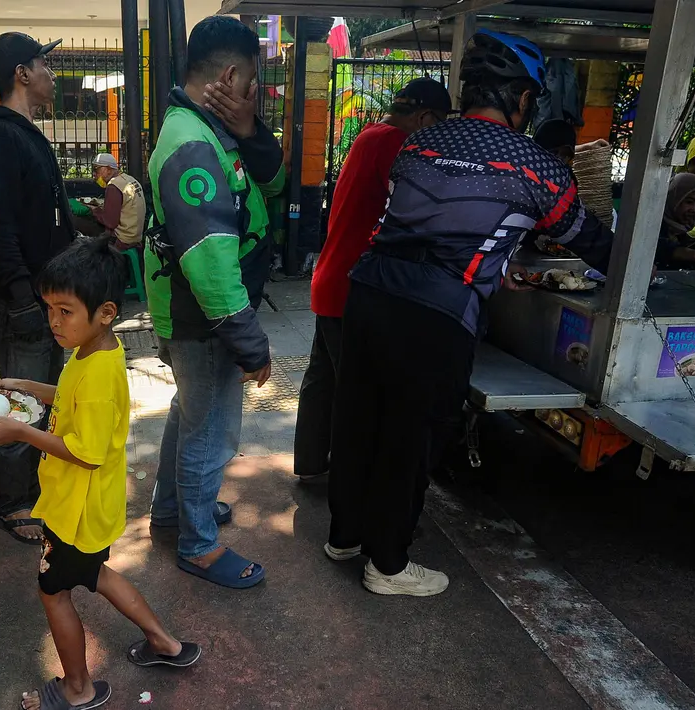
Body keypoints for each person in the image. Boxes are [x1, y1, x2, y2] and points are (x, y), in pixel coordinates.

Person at [327, 30, 614, 597]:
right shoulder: (536, 165)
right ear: (523, 99)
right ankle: (387, 566)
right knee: (412, 437)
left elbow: (431, 218)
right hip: (435, 313)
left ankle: (346, 534)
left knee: (361, 419)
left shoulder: (420, 144)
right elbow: (590, 241)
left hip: (369, 292)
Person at [0, 237, 202, 710]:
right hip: (85, 507)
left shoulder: (98, 374)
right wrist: (26, 387)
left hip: (76, 513)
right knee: (95, 574)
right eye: (49, 309)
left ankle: (78, 689)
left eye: (65, 311)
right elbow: (68, 396)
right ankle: (166, 643)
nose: (54, 322)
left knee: (53, 590)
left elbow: (87, 453)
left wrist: (21, 431)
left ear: (105, 312)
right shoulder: (93, 351)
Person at [144, 16, 284, 589]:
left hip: (198, 318)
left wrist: (252, 129)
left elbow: (273, 184)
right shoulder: (193, 145)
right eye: (253, 81)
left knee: (191, 413)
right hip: (205, 320)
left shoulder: (209, 129)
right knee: (212, 432)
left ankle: (174, 511)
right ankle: (198, 545)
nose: (256, 91)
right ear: (231, 74)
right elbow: (209, 262)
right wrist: (250, 343)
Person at [295, 78, 450, 484]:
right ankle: (353, 484)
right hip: (354, 288)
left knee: (323, 381)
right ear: (425, 118)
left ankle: (311, 465)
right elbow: (423, 209)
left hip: (331, 279)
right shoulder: (394, 144)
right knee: (358, 394)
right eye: (440, 126)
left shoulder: (369, 136)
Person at [0, 31, 75, 545]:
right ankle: (13, 502)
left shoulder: (22, 131)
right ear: (20, 73)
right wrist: (21, 298)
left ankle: (42, 491)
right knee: (23, 405)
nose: (51, 73)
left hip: (48, 298)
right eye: (42, 64)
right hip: (23, 303)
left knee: (49, 404)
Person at [89, 153, 146, 252]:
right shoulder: (129, 179)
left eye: (97, 169)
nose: (94, 174)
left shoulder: (114, 186)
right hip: (136, 236)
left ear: (109, 169)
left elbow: (110, 223)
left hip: (123, 240)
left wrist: (95, 211)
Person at [657, 173, 695, 270]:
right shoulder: (651, 224)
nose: (694, 209)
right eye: (689, 202)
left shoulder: (681, 231)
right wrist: (694, 256)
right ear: (673, 198)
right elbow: (659, 249)